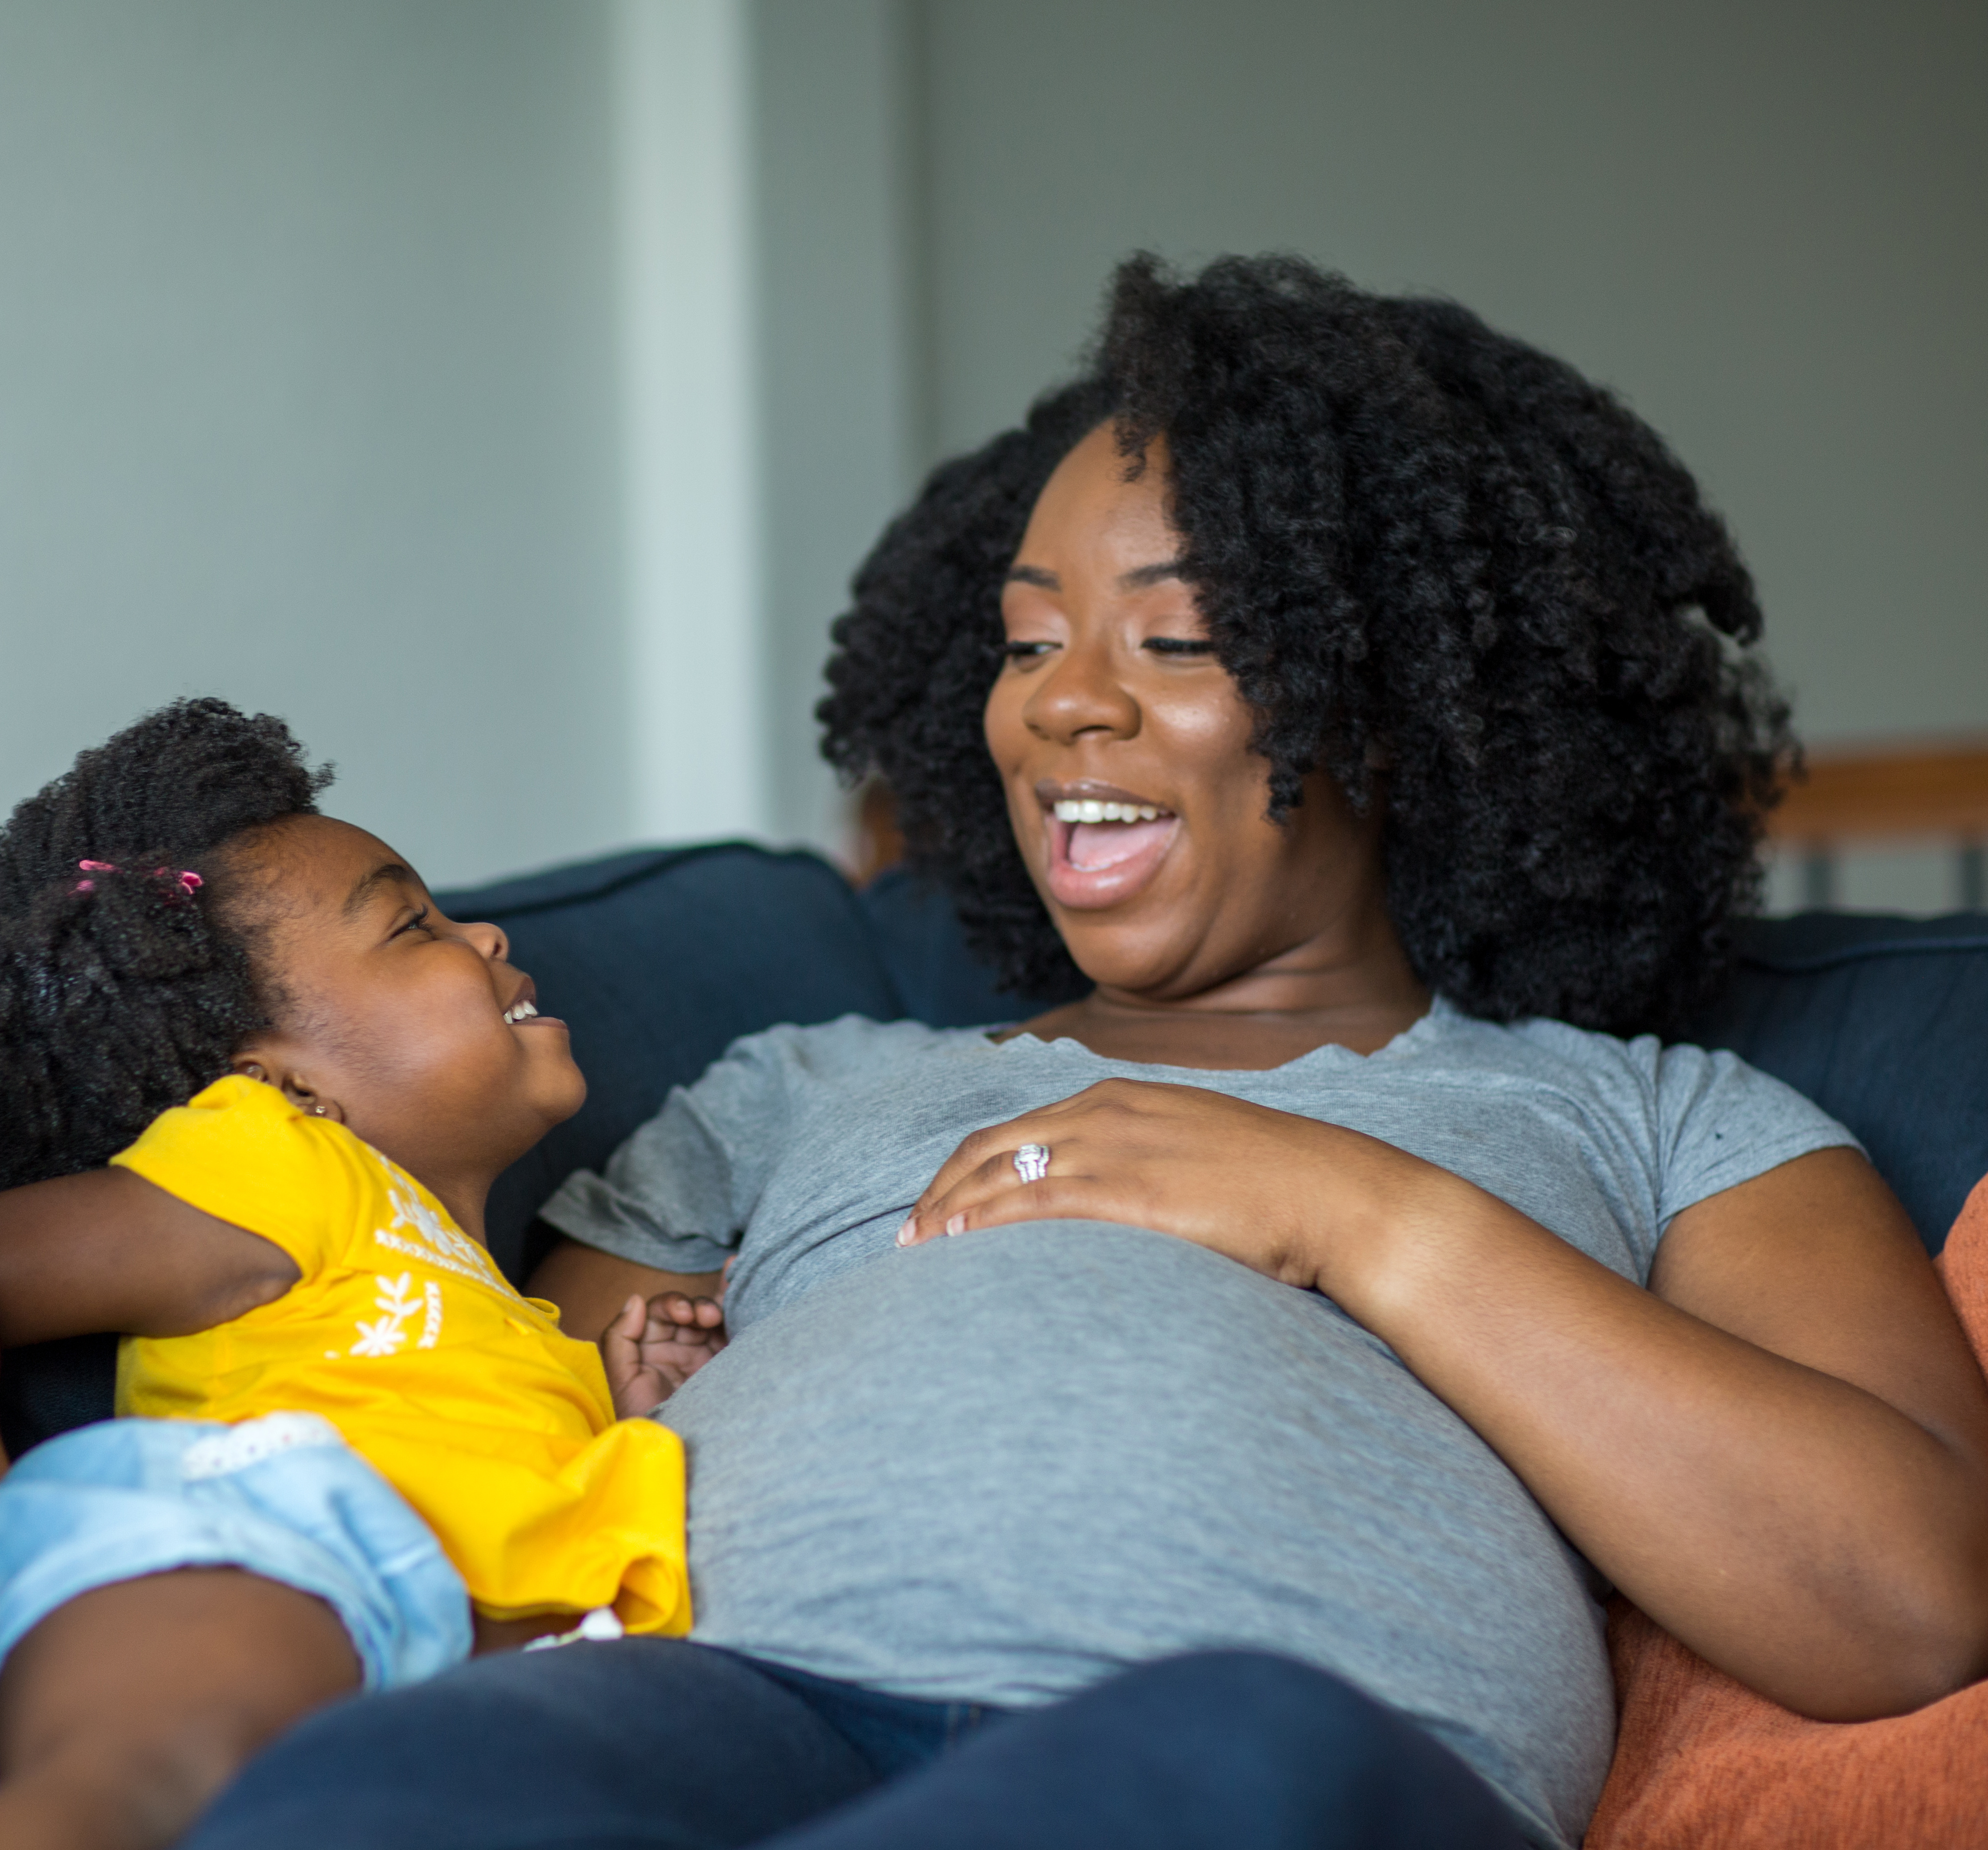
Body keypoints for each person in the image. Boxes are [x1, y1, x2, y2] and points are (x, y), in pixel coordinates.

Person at [177, 256, 1988, 1850]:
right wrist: (629, 1390)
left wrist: (1355, 1212)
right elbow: (502, 1422)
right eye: (1027, 638)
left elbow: (1908, 1597)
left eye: (1175, 635)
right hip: (736, 1692)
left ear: (1395, 702)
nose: (1061, 701)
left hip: (1278, 1732)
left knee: (1233, 1750)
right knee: (384, 1790)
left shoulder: (1663, 1118)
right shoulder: (795, 1083)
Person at [0, 699, 727, 1850]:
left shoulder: (509, 1312)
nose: (485, 936)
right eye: (414, 926)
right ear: (280, 1080)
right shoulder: (280, 1162)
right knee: (144, 1793)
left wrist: (623, 1410)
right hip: (263, 1541)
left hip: (451, 1665)